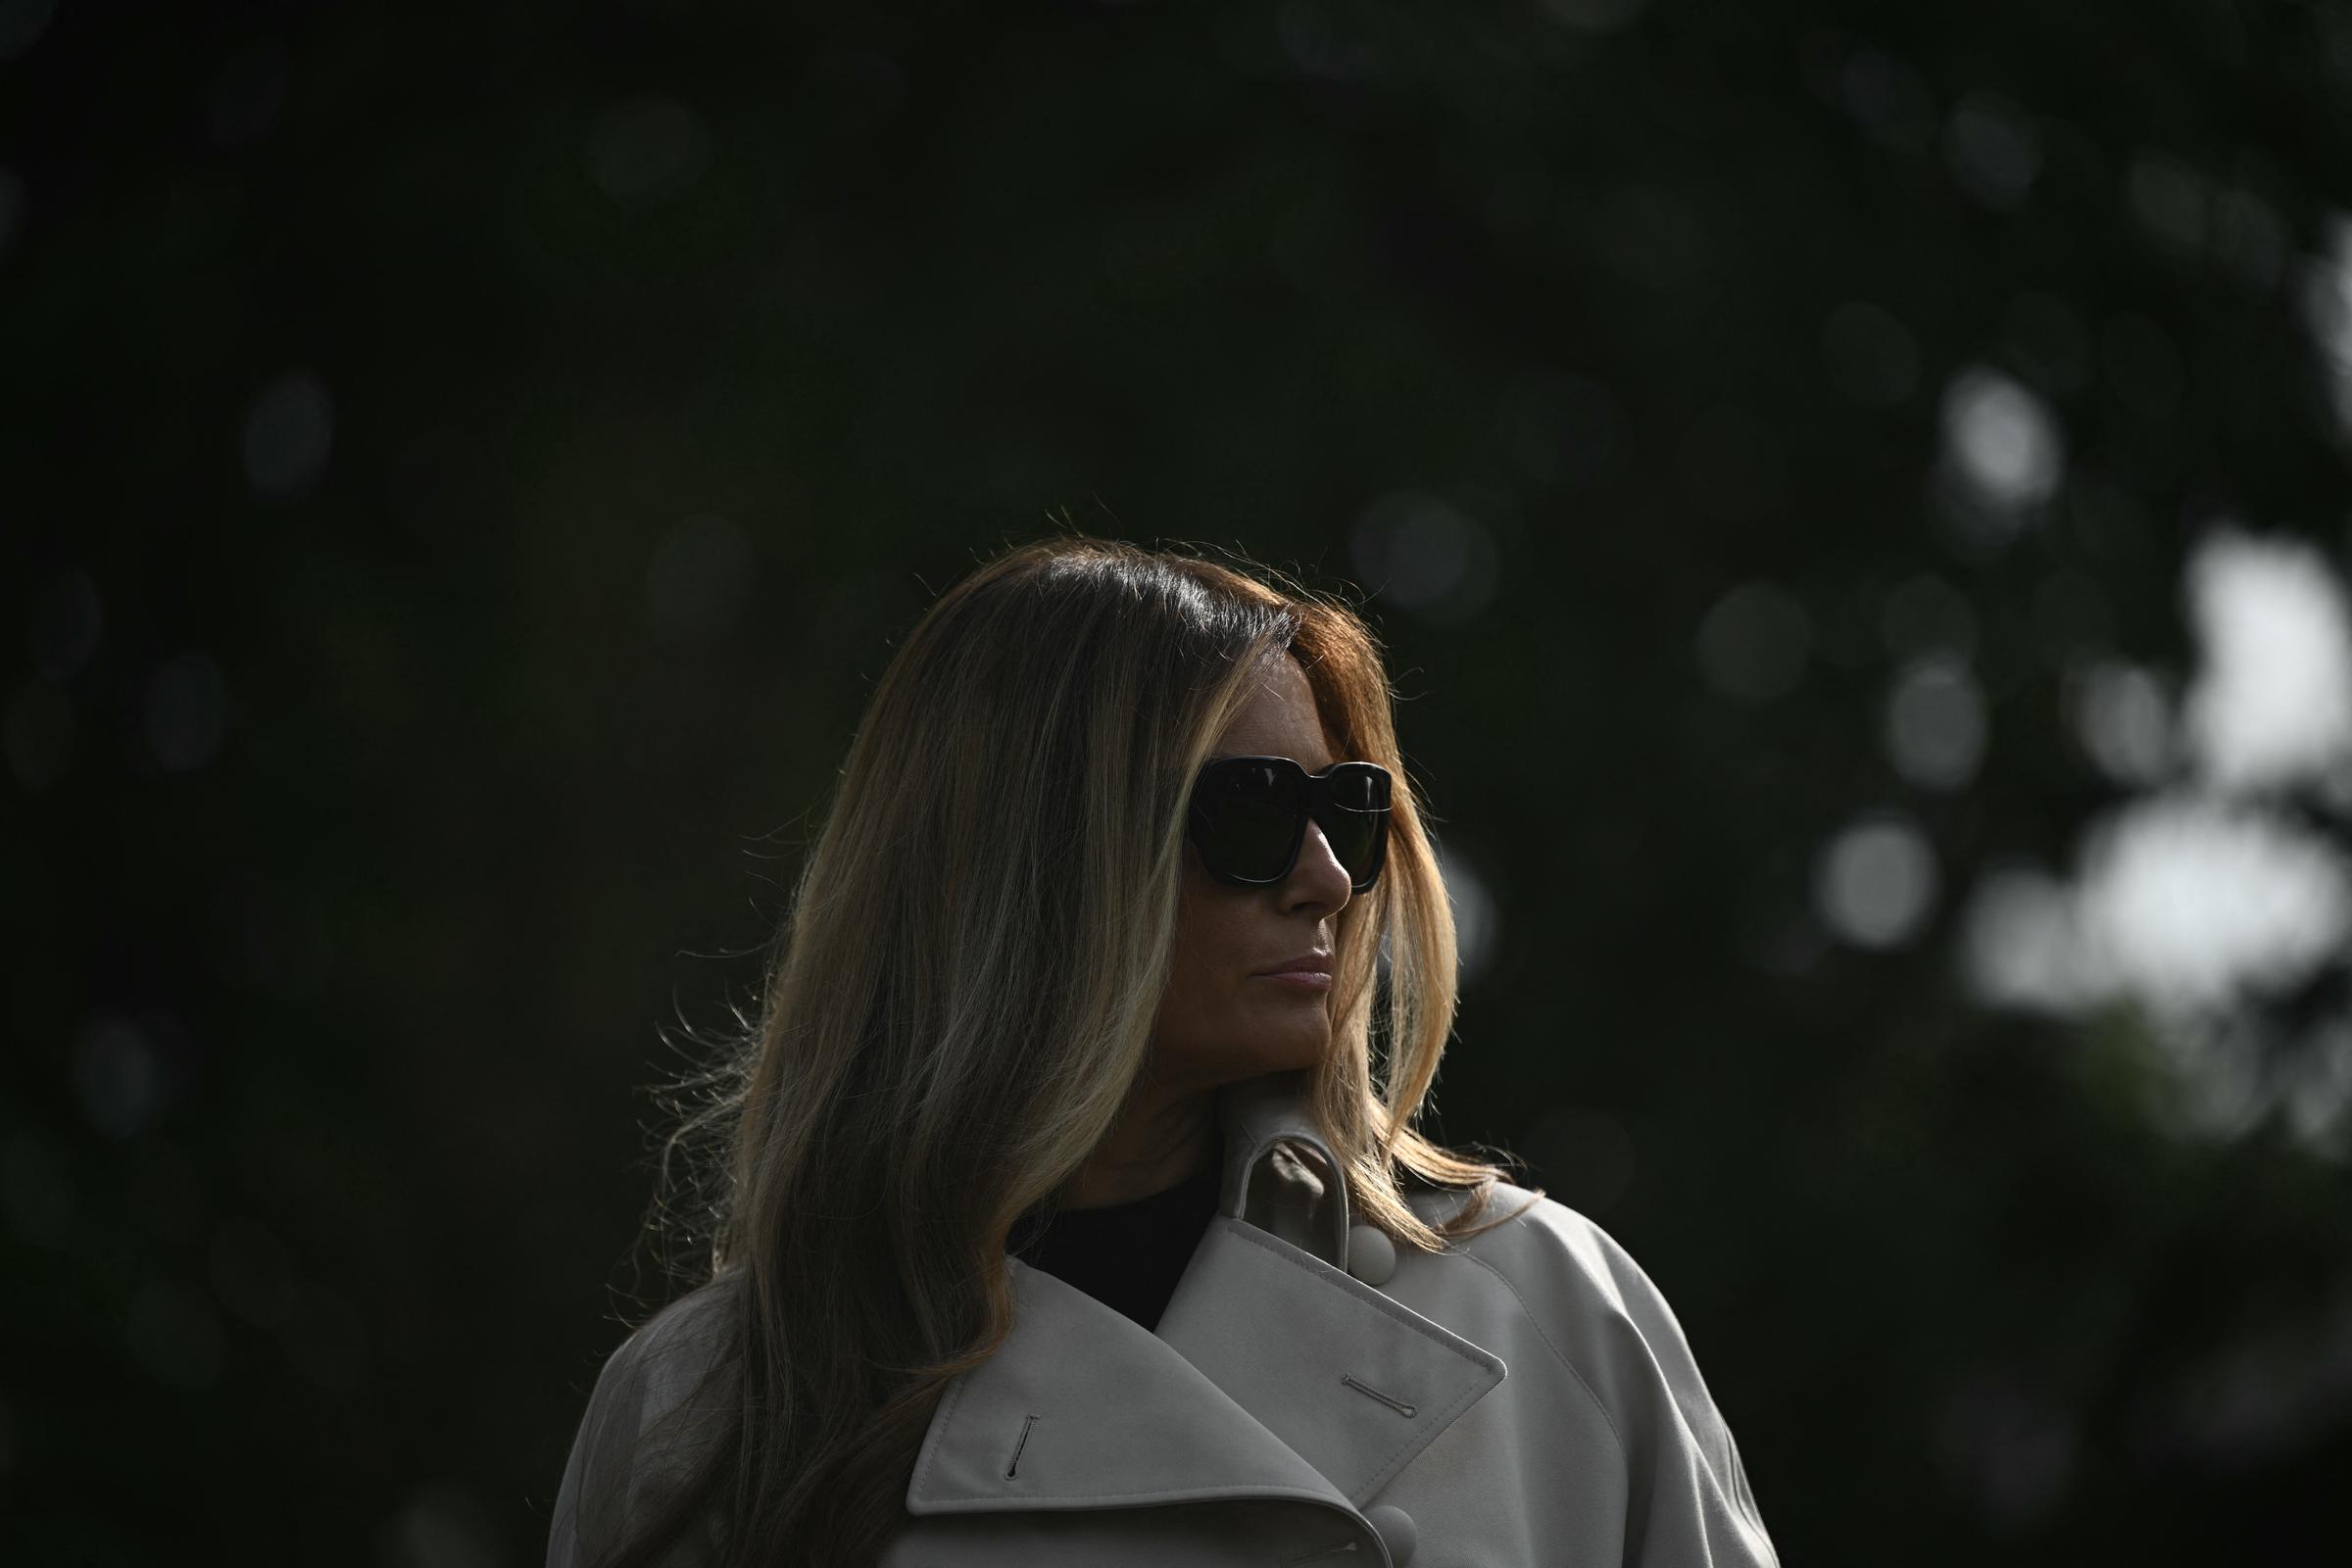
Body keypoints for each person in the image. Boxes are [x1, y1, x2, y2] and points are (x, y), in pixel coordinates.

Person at [545, 534, 1780, 1568]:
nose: (1330, 879)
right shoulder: (709, 1406)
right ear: (1035, 867)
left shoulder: (1549, 1306)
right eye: (1251, 815)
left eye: (1345, 808)